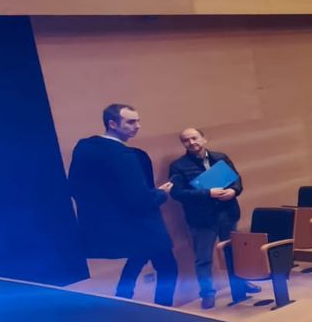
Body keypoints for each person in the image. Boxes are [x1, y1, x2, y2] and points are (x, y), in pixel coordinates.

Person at [68, 103, 178, 306]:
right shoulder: (123, 156)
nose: (137, 126)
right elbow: (140, 199)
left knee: (138, 259)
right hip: (143, 224)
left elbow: (75, 187)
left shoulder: (84, 149)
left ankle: (123, 299)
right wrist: (162, 194)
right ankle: (164, 310)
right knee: (168, 267)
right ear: (112, 124)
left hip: (118, 226)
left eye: (138, 121)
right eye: (131, 122)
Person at [168, 127, 254, 309]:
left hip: (227, 213)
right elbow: (177, 194)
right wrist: (208, 193)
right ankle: (207, 294)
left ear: (204, 139)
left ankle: (241, 284)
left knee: (234, 253)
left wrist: (234, 190)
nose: (191, 143)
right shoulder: (178, 166)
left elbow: (236, 179)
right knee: (203, 258)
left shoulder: (220, 157)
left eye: (194, 138)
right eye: (186, 140)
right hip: (202, 219)